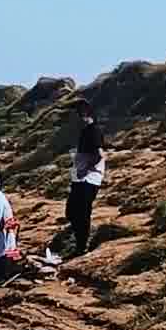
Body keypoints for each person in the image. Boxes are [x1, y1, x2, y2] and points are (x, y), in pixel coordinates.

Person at [65, 98, 106, 256]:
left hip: (89, 178)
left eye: (78, 112)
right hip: (80, 178)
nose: (75, 116)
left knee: (80, 212)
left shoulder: (93, 130)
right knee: (72, 212)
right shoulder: (84, 131)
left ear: (86, 112)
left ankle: (81, 247)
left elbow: (99, 155)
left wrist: (86, 170)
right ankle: (80, 245)